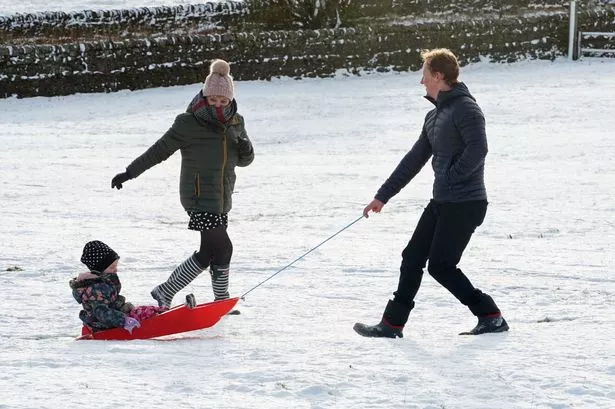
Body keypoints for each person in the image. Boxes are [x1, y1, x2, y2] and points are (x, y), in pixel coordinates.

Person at [354, 48, 509, 338]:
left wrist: (451, 177)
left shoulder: (466, 109)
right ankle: (392, 324)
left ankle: (490, 314)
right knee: (412, 257)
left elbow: (479, 148)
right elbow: (414, 159)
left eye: (424, 75)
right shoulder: (434, 116)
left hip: (466, 203)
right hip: (443, 201)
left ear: (438, 76)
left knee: (441, 266)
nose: (421, 81)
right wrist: (382, 196)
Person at [111, 59, 254, 309]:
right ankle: (200, 296)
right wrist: (129, 172)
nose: (218, 105)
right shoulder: (188, 123)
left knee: (212, 252)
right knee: (222, 247)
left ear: (230, 100)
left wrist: (246, 148)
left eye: (223, 101)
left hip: (222, 197)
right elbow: (159, 151)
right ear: (204, 96)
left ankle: (172, 292)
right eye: (213, 100)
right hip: (198, 196)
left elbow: (245, 161)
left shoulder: (235, 122)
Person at [70, 240, 166, 333]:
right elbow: (101, 313)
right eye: (112, 267)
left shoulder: (103, 281)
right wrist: (124, 321)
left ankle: (162, 314)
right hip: (105, 325)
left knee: (144, 310)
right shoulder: (95, 289)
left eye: (116, 266)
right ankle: (165, 322)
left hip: (116, 315)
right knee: (143, 314)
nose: (116, 270)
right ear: (99, 269)